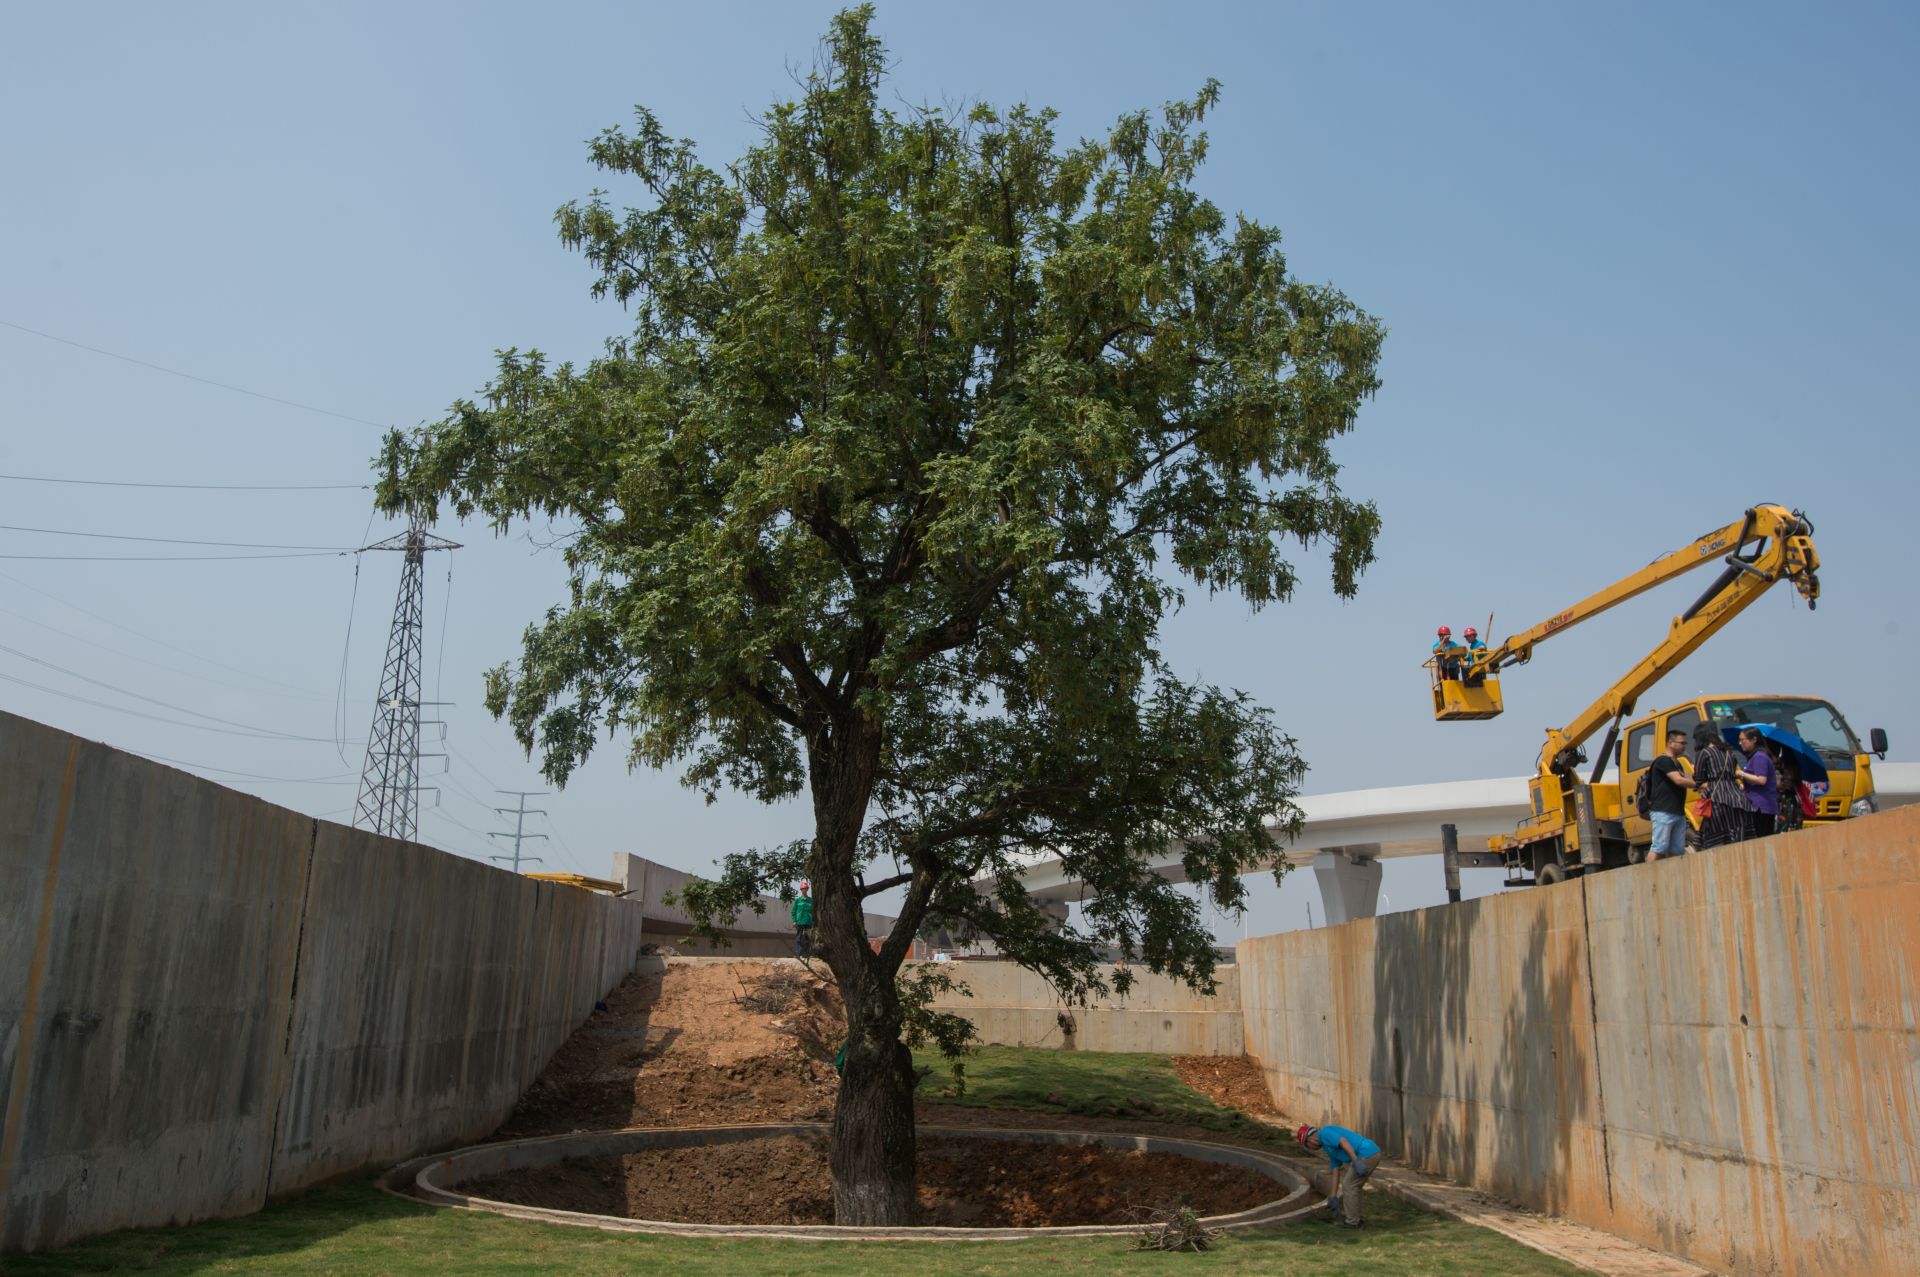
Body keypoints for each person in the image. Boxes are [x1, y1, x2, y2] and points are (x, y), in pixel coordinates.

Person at [1296, 1122, 1381, 1228]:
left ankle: (1352, 1222)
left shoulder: (1325, 1133)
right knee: (1354, 1186)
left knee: (1349, 1184)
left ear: (1310, 1139)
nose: (1310, 1148)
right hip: (1369, 1153)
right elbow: (1335, 1170)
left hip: (1366, 1153)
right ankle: (1357, 1219)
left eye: (1307, 1145)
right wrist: (1333, 1196)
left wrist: (1355, 1161)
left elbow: (1343, 1141)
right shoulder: (1328, 1147)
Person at [1689, 722, 1749, 849]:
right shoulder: (1729, 752)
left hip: (1717, 800)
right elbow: (1732, 773)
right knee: (1738, 837)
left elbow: (1699, 779)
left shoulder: (1703, 753)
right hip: (1737, 798)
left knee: (1715, 840)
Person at [1644, 728, 1697, 861]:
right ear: (1671, 743)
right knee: (1659, 847)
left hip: (1678, 812)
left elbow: (1685, 779)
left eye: (1685, 743)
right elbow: (1678, 780)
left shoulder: (1677, 763)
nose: (1684, 746)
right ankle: (1648, 876)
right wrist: (1699, 785)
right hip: (1663, 811)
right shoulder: (1663, 761)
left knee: (1677, 850)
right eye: (1682, 743)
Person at [1735, 727, 1778, 839]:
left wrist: (1741, 774)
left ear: (1754, 739)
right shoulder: (1754, 757)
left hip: (1762, 806)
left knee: (1761, 838)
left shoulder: (1759, 756)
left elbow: (1761, 780)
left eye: (1742, 740)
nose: (1740, 743)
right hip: (1757, 804)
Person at [1774, 747, 1807, 834]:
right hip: (1794, 801)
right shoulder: (1797, 765)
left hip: (1785, 801)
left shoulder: (1781, 766)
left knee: (1782, 827)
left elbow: (1781, 785)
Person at [790, 880, 814, 959]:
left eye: (806, 888)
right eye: (803, 888)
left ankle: (806, 955)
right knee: (799, 938)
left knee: (807, 938)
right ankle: (798, 954)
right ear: (801, 890)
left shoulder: (811, 901)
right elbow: (793, 911)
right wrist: (794, 920)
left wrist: (813, 921)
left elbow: (813, 912)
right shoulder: (798, 900)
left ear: (807, 889)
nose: (804, 890)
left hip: (808, 922)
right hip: (799, 922)